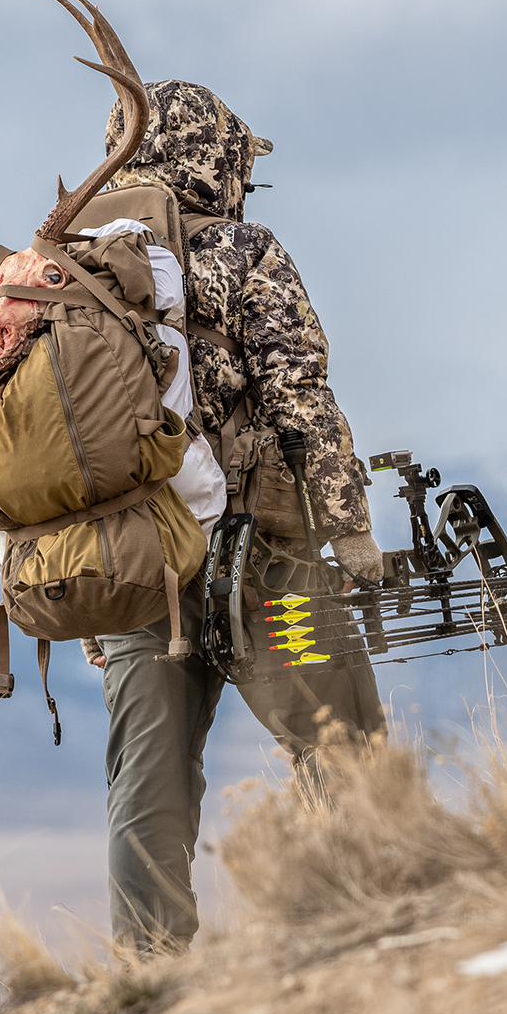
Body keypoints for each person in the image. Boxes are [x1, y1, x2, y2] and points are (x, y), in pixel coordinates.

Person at [81, 80, 386, 953]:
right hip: (263, 568)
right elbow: (298, 391)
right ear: (211, 157)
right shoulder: (241, 251)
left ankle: (146, 981)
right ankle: (376, 915)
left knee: (149, 786)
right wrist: (349, 522)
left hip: (131, 575)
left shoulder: (65, 272)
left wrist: (86, 614)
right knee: (340, 737)